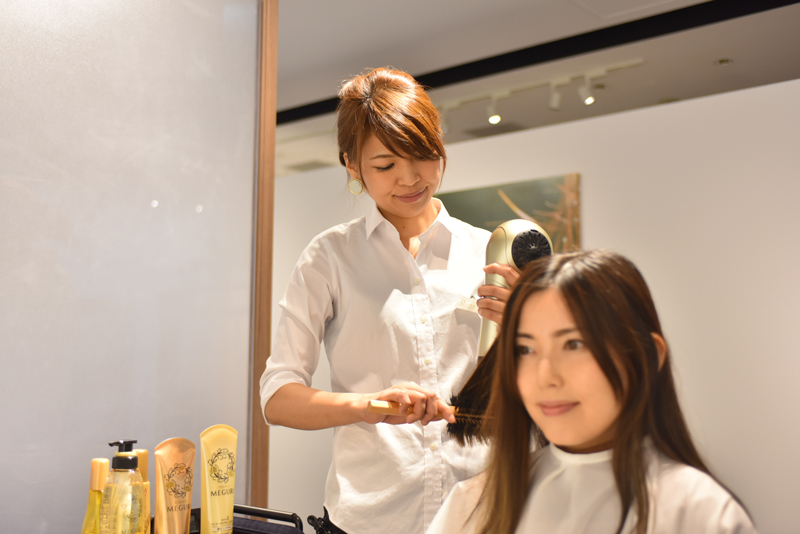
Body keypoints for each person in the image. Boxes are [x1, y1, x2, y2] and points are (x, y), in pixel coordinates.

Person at [259, 67, 518, 534]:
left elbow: (543, 387)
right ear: (351, 165)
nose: (410, 178)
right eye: (385, 166)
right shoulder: (329, 257)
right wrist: (367, 405)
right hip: (369, 518)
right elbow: (278, 397)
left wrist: (526, 330)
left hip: (482, 512)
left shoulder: (489, 253)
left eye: (424, 155)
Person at [428, 250, 756, 534]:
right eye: (525, 349)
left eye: (573, 344)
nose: (545, 376)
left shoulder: (701, 513)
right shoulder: (475, 503)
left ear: (647, 356)